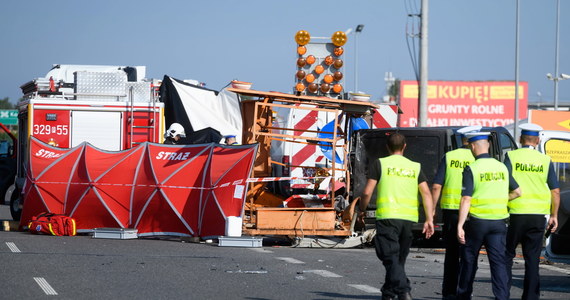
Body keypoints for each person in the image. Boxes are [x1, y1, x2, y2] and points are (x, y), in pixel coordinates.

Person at [359, 132, 434, 300]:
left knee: (390, 256)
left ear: (387, 147)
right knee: (398, 258)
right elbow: (426, 194)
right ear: (404, 147)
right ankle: (388, 293)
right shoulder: (415, 166)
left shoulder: (381, 164)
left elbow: (367, 192)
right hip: (408, 219)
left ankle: (403, 290)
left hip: (387, 217)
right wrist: (429, 219)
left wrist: (361, 210)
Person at [456, 131, 521, 300]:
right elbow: (517, 192)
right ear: (489, 145)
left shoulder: (472, 168)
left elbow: (466, 198)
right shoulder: (502, 167)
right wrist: (502, 199)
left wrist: (460, 225)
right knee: (498, 262)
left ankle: (463, 295)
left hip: (478, 222)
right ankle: (502, 297)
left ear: (472, 146)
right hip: (499, 223)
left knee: (469, 260)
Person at [505, 123, 560, 300]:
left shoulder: (511, 156)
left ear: (520, 139)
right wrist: (554, 215)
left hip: (514, 214)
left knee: (507, 256)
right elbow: (555, 191)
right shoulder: (545, 160)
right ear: (537, 140)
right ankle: (530, 297)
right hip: (537, 216)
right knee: (532, 258)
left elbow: (504, 179)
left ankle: (503, 293)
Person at [431, 125, 481, 300]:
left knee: (452, 254)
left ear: (461, 140)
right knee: (470, 254)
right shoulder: (479, 159)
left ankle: (449, 292)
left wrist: (432, 211)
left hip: (452, 212)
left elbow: (437, 185)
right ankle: (466, 290)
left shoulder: (449, 157)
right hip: (474, 212)